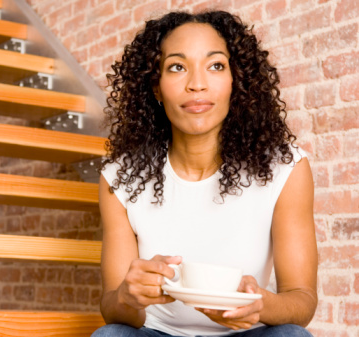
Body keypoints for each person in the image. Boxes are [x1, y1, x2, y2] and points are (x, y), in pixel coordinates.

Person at [92, 10, 318, 337]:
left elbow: (302, 299)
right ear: (156, 87)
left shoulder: (285, 169)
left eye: (215, 66)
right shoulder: (120, 178)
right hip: (156, 334)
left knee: (292, 336)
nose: (197, 84)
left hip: (247, 333)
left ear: (235, 81)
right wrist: (128, 296)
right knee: (110, 335)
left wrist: (260, 305)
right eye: (177, 67)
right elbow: (111, 308)